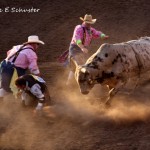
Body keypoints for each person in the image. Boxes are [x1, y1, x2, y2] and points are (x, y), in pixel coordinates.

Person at [66, 14, 109, 85]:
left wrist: (103, 36)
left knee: (82, 65)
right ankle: (70, 83)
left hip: (83, 49)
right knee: (77, 65)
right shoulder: (79, 28)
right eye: (88, 23)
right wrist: (82, 47)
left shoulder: (90, 29)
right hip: (76, 48)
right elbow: (77, 40)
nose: (89, 24)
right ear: (84, 22)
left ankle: (74, 82)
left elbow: (97, 33)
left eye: (90, 23)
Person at [0, 35, 44, 100]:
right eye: (38, 44)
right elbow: (33, 68)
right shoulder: (31, 53)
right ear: (34, 44)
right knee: (20, 85)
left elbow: (8, 52)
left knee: (5, 86)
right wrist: (38, 77)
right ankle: (24, 102)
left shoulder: (17, 47)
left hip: (4, 65)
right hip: (15, 70)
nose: (37, 46)